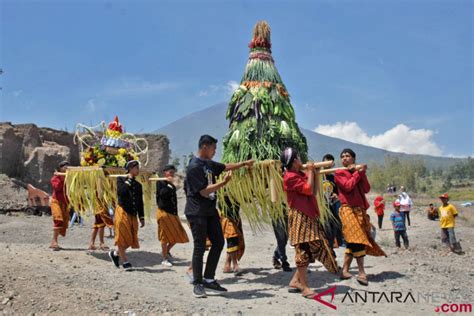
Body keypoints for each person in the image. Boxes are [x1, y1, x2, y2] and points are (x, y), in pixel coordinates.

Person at [184, 134, 253, 298]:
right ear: (205, 147)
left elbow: (225, 167)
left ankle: (209, 279)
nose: (215, 151)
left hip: (210, 211)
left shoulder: (208, 164)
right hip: (197, 212)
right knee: (200, 247)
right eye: (214, 148)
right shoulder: (194, 166)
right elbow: (204, 191)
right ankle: (198, 283)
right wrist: (223, 183)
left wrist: (243, 163)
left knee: (219, 242)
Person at [281, 148, 338, 299]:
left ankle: (295, 281)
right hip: (300, 216)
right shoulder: (289, 177)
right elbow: (307, 189)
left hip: (309, 215)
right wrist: (311, 171)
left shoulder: (299, 174)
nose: (301, 160)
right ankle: (305, 287)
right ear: (294, 162)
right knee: (303, 249)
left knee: (310, 248)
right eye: (299, 158)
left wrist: (315, 173)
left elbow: (313, 191)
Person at [335, 148, 386, 286]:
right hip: (347, 209)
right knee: (357, 238)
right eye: (343, 156)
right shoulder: (339, 173)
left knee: (353, 239)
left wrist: (361, 174)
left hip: (360, 210)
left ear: (353, 159)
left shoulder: (358, 172)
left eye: (348, 156)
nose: (345, 158)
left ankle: (345, 270)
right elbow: (348, 186)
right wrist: (357, 173)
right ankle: (362, 272)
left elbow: (366, 189)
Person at [108, 160, 145, 271]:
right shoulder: (120, 180)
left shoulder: (138, 185)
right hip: (122, 211)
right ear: (130, 168)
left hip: (133, 214)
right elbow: (121, 192)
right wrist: (128, 180)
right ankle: (125, 261)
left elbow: (139, 202)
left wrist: (141, 217)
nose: (138, 170)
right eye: (136, 168)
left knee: (131, 239)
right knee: (122, 237)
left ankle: (115, 254)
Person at [156, 164, 189, 267]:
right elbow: (162, 194)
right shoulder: (160, 182)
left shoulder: (172, 185)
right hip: (164, 212)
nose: (172, 174)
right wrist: (169, 184)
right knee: (164, 237)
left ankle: (166, 251)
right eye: (170, 172)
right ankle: (164, 258)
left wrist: (171, 184)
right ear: (165, 172)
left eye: (173, 173)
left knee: (178, 234)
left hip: (173, 213)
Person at [321, 153, 344, 250]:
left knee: (334, 226)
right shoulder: (318, 176)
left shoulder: (334, 178)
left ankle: (332, 245)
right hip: (321, 207)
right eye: (326, 162)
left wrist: (336, 195)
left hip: (332, 206)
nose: (328, 165)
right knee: (325, 228)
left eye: (330, 163)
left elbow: (338, 192)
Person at [221, 197, 245, 275]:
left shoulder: (236, 191)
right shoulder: (223, 190)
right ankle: (235, 265)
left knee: (235, 240)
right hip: (227, 217)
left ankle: (227, 265)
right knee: (232, 239)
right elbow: (221, 204)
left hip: (235, 217)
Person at [50, 161, 70, 251]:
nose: (66, 168)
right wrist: (62, 178)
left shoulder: (70, 178)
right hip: (56, 201)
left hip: (65, 202)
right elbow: (57, 187)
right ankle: (54, 241)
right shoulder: (55, 178)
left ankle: (54, 241)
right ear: (60, 168)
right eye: (64, 167)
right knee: (58, 220)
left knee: (63, 223)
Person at [271, 206, 292, 272]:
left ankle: (275, 257)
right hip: (277, 215)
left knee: (285, 239)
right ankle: (284, 261)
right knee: (281, 239)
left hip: (288, 214)